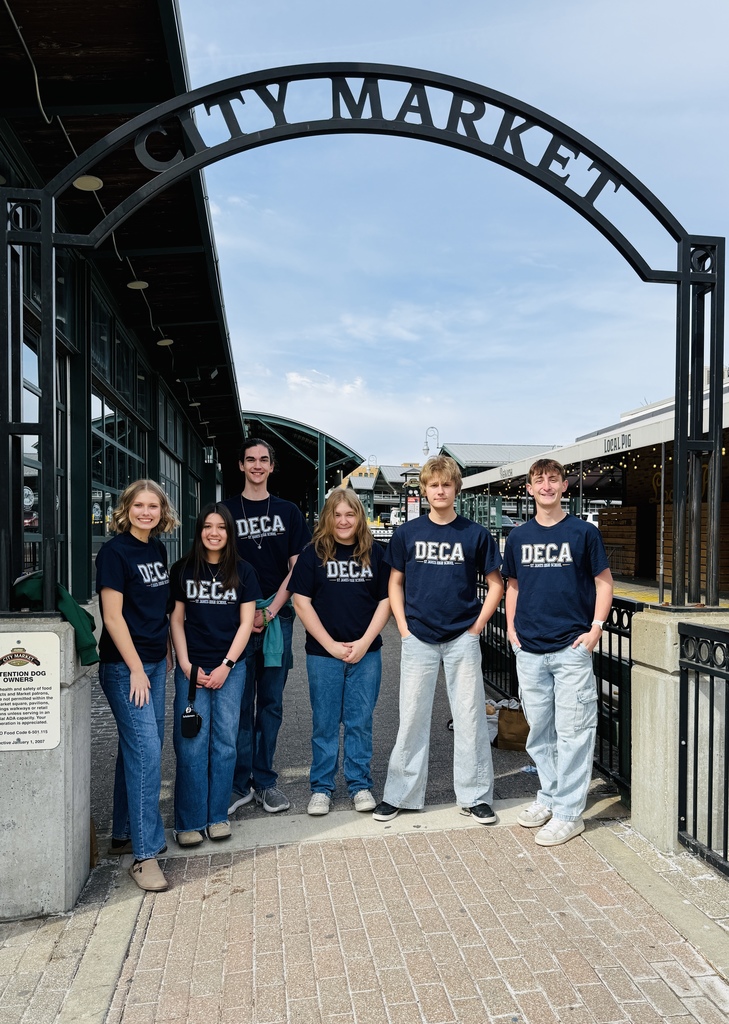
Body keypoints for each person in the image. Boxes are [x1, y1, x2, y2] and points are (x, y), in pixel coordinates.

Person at [373, 456, 504, 823]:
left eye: (446, 484)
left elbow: (497, 585)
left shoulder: (474, 534)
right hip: (419, 636)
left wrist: (476, 627)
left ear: (456, 489)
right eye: (434, 485)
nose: (440, 490)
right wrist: (402, 626)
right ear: (425, 490)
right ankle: (401, 794)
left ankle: (476, 795)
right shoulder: (407, 533)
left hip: (462, 636)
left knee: (470, 717)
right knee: (412, 717)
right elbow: (394, 582)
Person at [503, 458, 614, 847]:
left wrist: (596, 627)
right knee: (540, 734)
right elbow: (513, 586)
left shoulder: (584, 533)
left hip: (570, 648)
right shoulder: (518, 538)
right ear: (530, 489)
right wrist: (513, 630)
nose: (546, 486)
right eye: (539, 480)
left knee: (574, 732)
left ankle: (569, 813)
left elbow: (604, 584)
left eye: (553, 479)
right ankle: (549, 796)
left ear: (564, 486)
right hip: (530, 650)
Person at [96, 480, 179, 893]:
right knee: (147, 752)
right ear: (126, 508)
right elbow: (112, 618)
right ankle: (144, 856)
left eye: (154, 506)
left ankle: (123, 833)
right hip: (125, 668)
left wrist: (162, 649)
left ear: (162, 512)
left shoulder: (156, 549)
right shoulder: (114, 553)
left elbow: (156, 608)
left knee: (139, 747)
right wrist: (135, 668)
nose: (146, 512)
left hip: (151, 662)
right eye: (139, 505)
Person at [222, 438, 311, 814]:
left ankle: (265, 781)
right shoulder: (225, 510)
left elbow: (297, 569)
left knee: (271, 704)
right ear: (241, 466)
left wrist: (271, 611)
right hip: (236, 621)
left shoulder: (288, 511)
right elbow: (217, 564)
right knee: (239, 705)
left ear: (272, 467)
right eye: (250, 460)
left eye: (264, 460)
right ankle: (239, 783)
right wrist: (246, 615)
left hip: (277, 619)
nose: (257, 465)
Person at [289, 489, 391, 815]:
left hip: (366, 653)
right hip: (323, 654)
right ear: (328, 518)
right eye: (337, 514)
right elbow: (301, 603)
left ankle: (359, 784)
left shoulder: (376, 554)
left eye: (350, 514)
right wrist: (330, 644)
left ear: (359, 517)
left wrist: (363, 643)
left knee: (360, 722)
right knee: (325, 723)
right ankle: (322, 787)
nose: (344, 520)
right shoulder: (313, 554)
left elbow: (385, 601)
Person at [169, 503, 261, 846]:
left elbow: (246, 624)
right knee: (191, 743)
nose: (214, 532)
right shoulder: (182, 569)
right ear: (199, 530)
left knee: (224, 744)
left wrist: (228, 665)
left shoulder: (243, 571)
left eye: (221, 527)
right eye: (208, 526)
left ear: (229, 532)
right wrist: (186, 664)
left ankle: (217, 816)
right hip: (191, 669)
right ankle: (188, 821)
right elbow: (176, 620)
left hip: (229, 669)